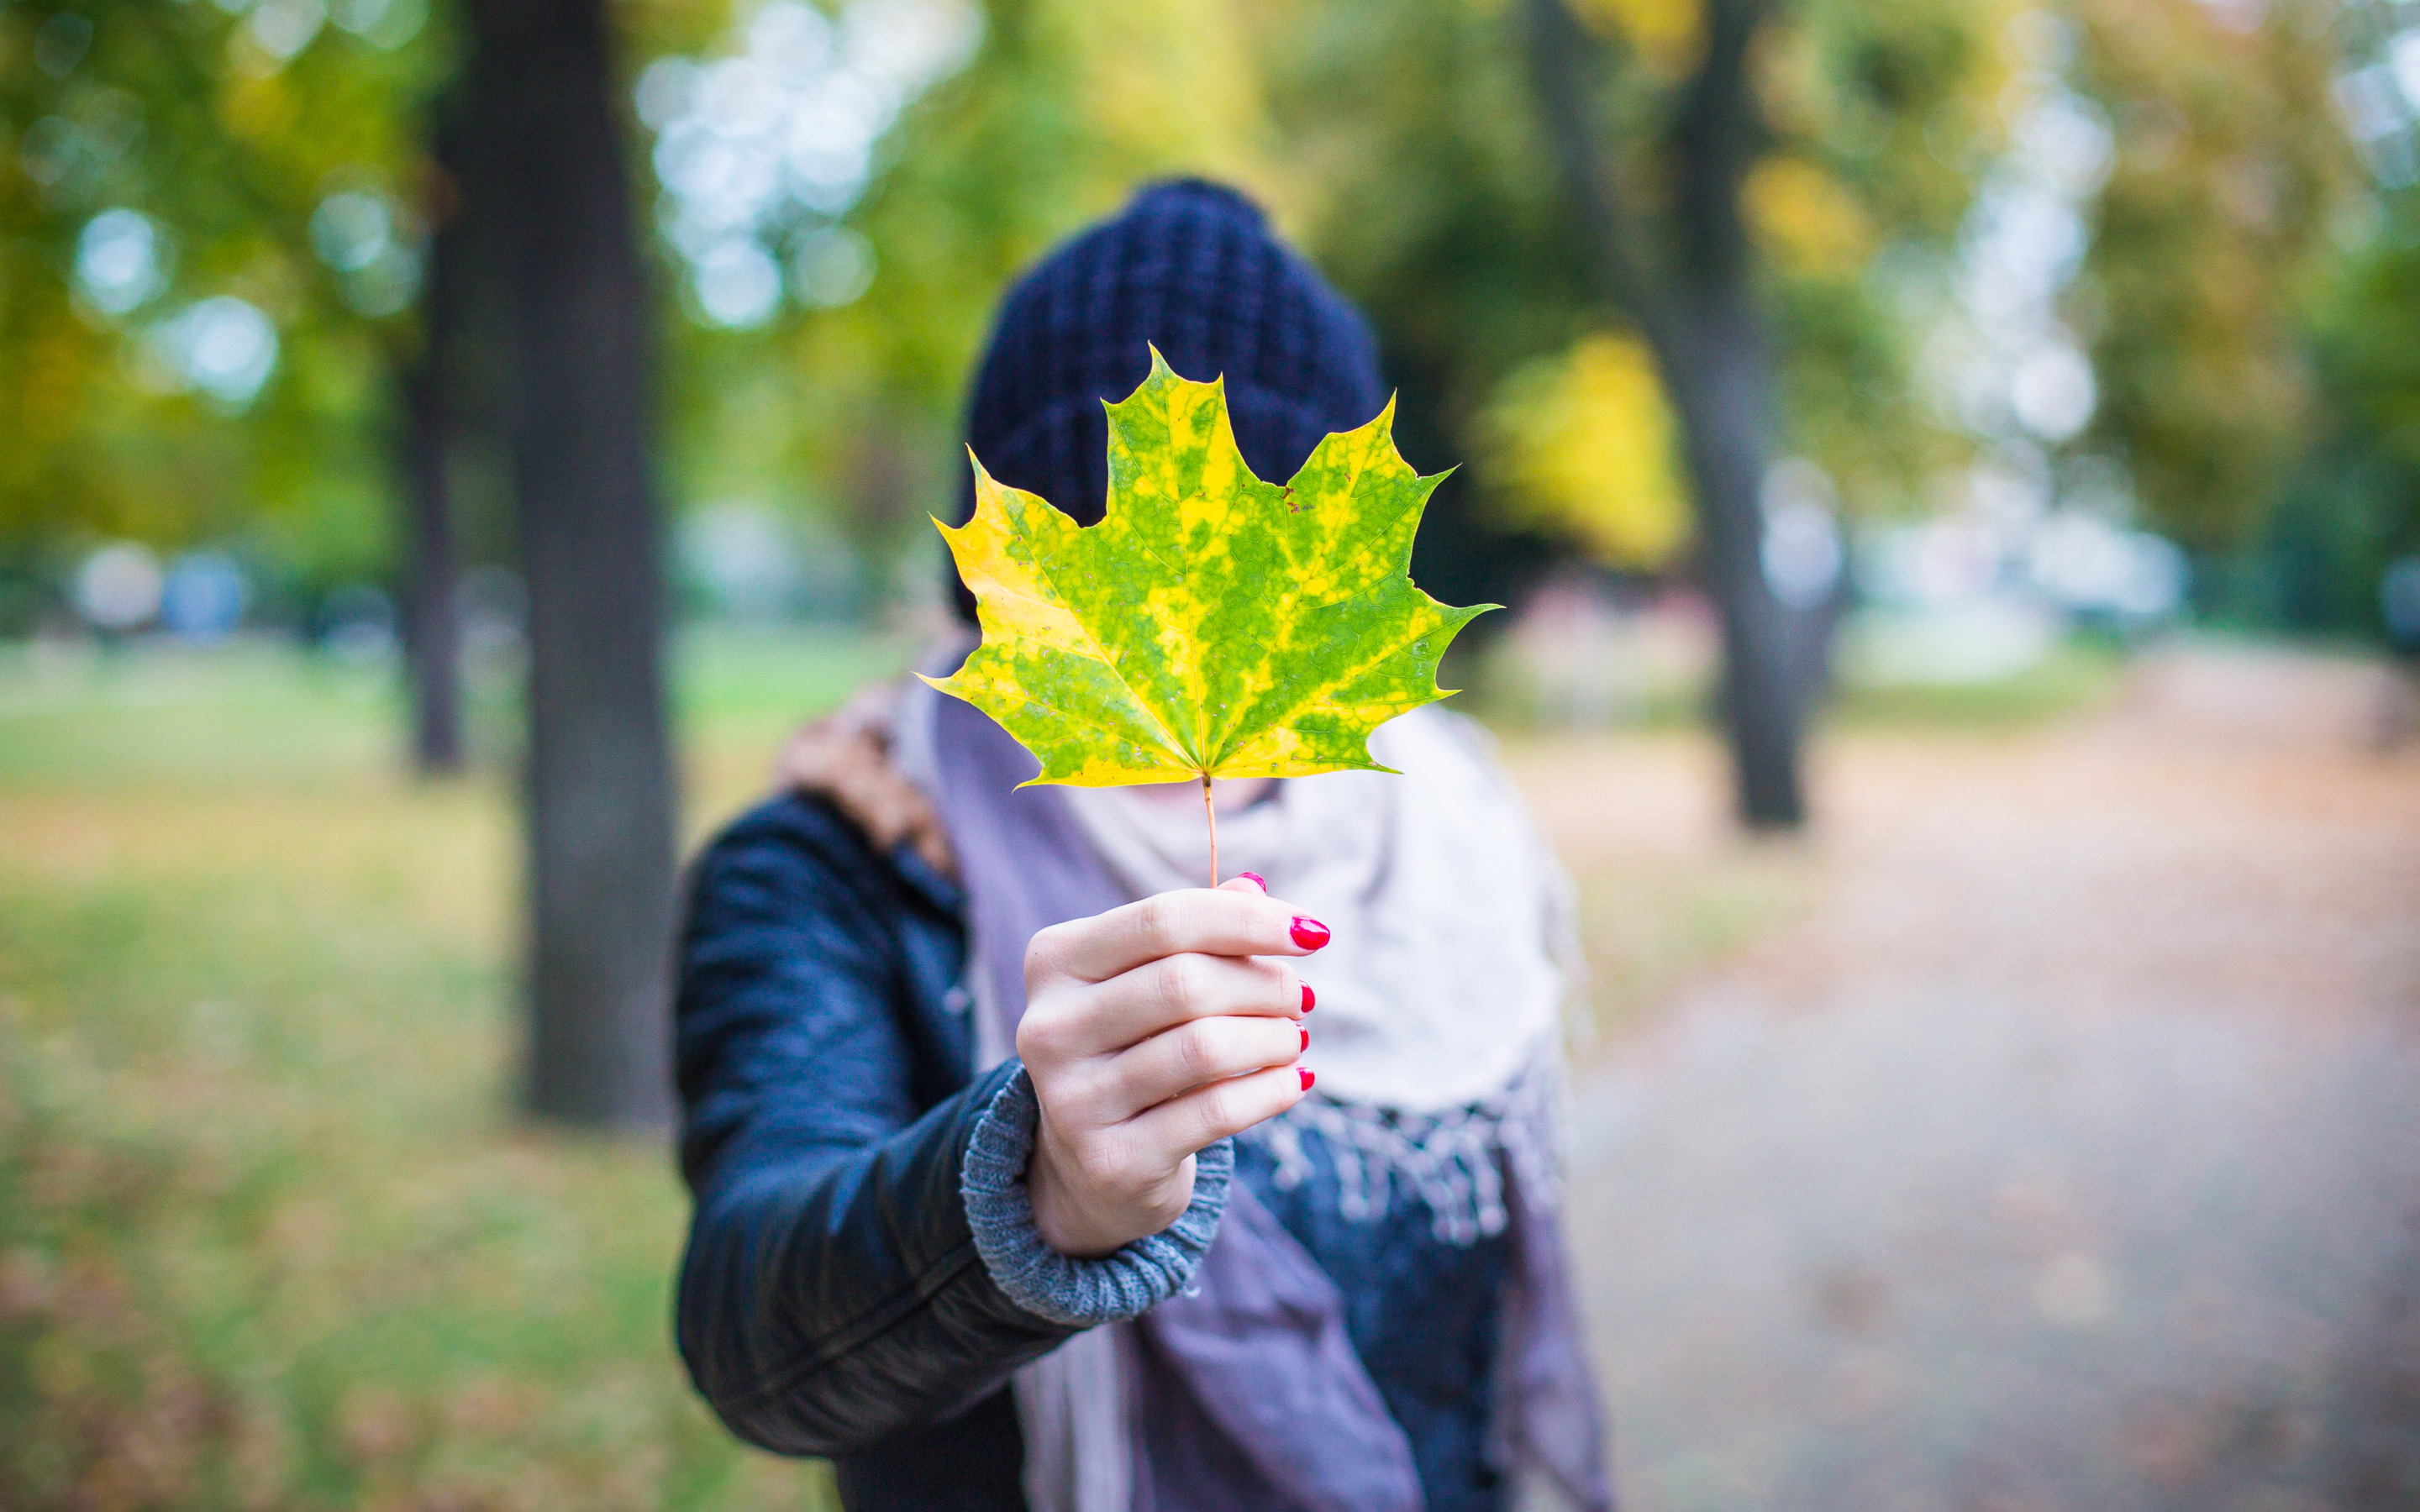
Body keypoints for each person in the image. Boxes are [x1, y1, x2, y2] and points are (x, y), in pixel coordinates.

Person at [673, 179, 1613, 1512]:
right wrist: (1026, 1198)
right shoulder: (835, 873)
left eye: (1257, 584)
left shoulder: (1454, 828)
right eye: (1124, 588)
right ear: (999, 590)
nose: (1191, 641)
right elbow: (754, 1342)